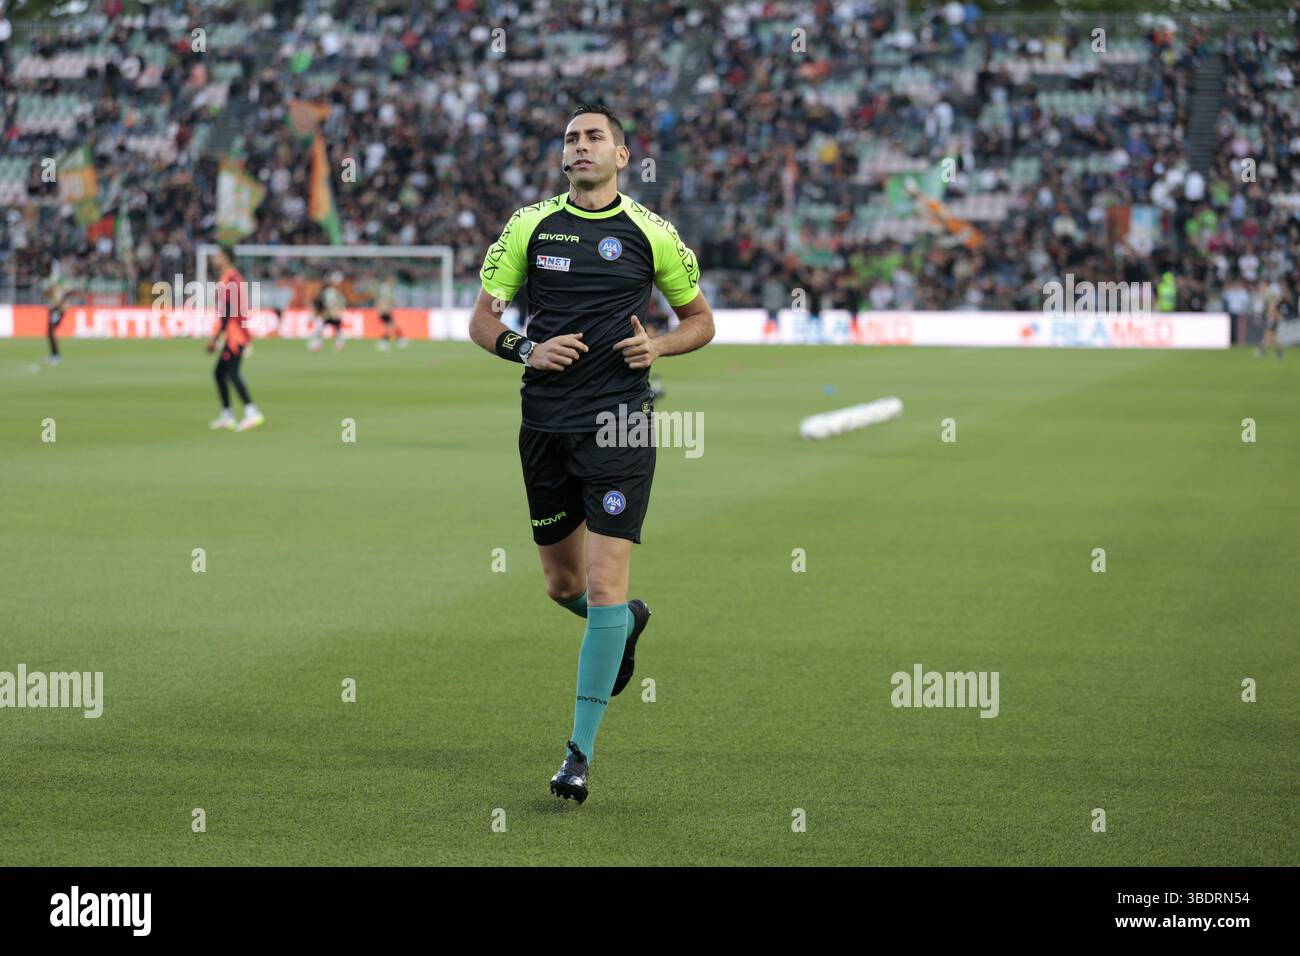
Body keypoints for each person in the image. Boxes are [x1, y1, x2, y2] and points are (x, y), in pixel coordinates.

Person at [469, 104, 715, 804]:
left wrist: (660, 345)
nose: (580, 146)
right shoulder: (529, 225)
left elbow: (700, 321)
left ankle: (578, 755)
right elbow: (482, 319)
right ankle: (626, 623)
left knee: (605, 583)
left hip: (622, 426)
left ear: (622, 155)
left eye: (593, 137)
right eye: (572, 138)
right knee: (564, 587)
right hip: (545, 423)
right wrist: (526, 348)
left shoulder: (652, 232)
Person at [206, 246, 264, 431]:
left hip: (235, 335)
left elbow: (230, 310)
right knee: (220, 373)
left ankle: (252, 412)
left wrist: (216, 337)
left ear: (226, 258)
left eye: (218, 255)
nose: (215, 258)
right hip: (233, 332)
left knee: (231, 373)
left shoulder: (231, 279)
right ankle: (227, 415)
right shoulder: (229, 277)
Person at [308, 272, 348, 352]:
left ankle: (317, 344)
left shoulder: (330, 291)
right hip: (329, 314)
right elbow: (331, 303)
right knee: (336, 329)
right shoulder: (330, 291)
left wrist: (333, 311)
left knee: (324, 328)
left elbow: (333, 303)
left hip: (329, 314)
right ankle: (318, 344)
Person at [374, 273, 407, 350]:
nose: (394, 283)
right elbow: (382, 300)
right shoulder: (385, 289)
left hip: (386, 311)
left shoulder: (388, 289)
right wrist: (381, 310)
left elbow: (389, 300)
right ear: (389, 281)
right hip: (384, 312)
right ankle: (384, 342)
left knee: (393, 326)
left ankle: (400, 340)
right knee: (390, 327)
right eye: (393, 281)